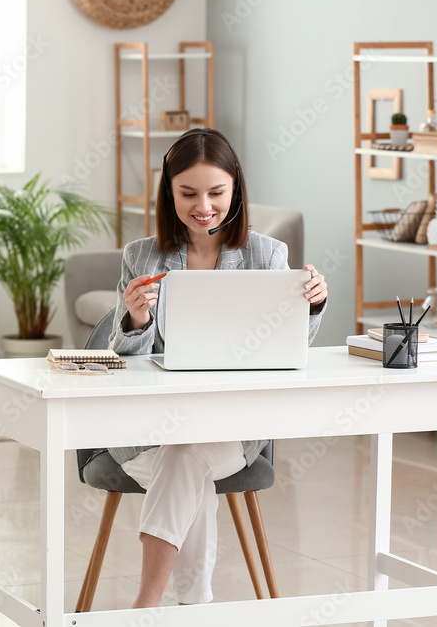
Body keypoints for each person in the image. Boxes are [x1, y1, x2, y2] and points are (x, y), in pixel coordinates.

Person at [107, 127, 328, 607]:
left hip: (232, 429)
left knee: (187, 459)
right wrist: (137, 317)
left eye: (216, 192)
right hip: (153, 432)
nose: (202, 205)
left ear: (236, 191)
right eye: (187, 193)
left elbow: (290, 353)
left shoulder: (266, 254)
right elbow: (124, 360)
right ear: (169, 192)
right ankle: (194, 607)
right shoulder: (141, 255)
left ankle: (145, 606)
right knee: (185, 463)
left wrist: (311, 305)